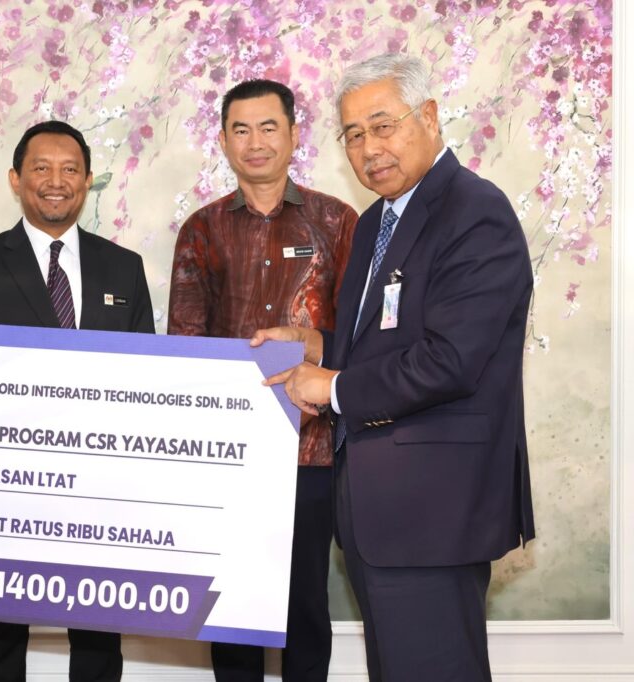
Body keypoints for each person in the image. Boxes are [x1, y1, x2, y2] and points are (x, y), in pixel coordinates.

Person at [255, 53, 536, 681]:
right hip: (379, 512)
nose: (369, 148)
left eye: (383, 126)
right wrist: (317, 345)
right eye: (353, 135)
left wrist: (333, 387)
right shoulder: (379, 220)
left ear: (428, 117)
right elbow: (384, 342)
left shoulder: (474, 211)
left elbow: (450, 360)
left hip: (434, 512)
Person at [0, 120, 154, 681]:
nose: (56, 181)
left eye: (70, 170)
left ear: (87, 181)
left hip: (99, 485)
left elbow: (146, 380)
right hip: (3, 484)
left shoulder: (123, 267)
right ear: (16, 179)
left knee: (98, 630)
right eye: (41, 168)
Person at [168, 79, 357, 682]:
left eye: (269, 127)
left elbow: (361, 338)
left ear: (294, 135)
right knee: (234, 608)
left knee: (305, 608)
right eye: (241, 130)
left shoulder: (338, 221)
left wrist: (314, 348)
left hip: (313, 449)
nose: (255, 142)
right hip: (230, 457)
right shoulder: (201, 229)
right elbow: (186, 345)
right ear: (224, 141)